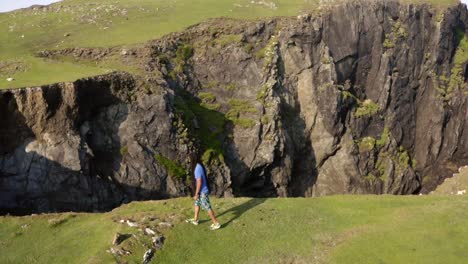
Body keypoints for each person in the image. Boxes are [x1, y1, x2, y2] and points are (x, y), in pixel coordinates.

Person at [185, 153, 221, 230]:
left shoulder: (197, 168)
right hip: (201, 191)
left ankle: (216, 223)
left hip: (202, 191)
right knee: (197, 203)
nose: (188, 160)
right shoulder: (198, 165)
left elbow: (199, 182)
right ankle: (195, 220)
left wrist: (197, 193)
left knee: (207, 207)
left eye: (189, 158)